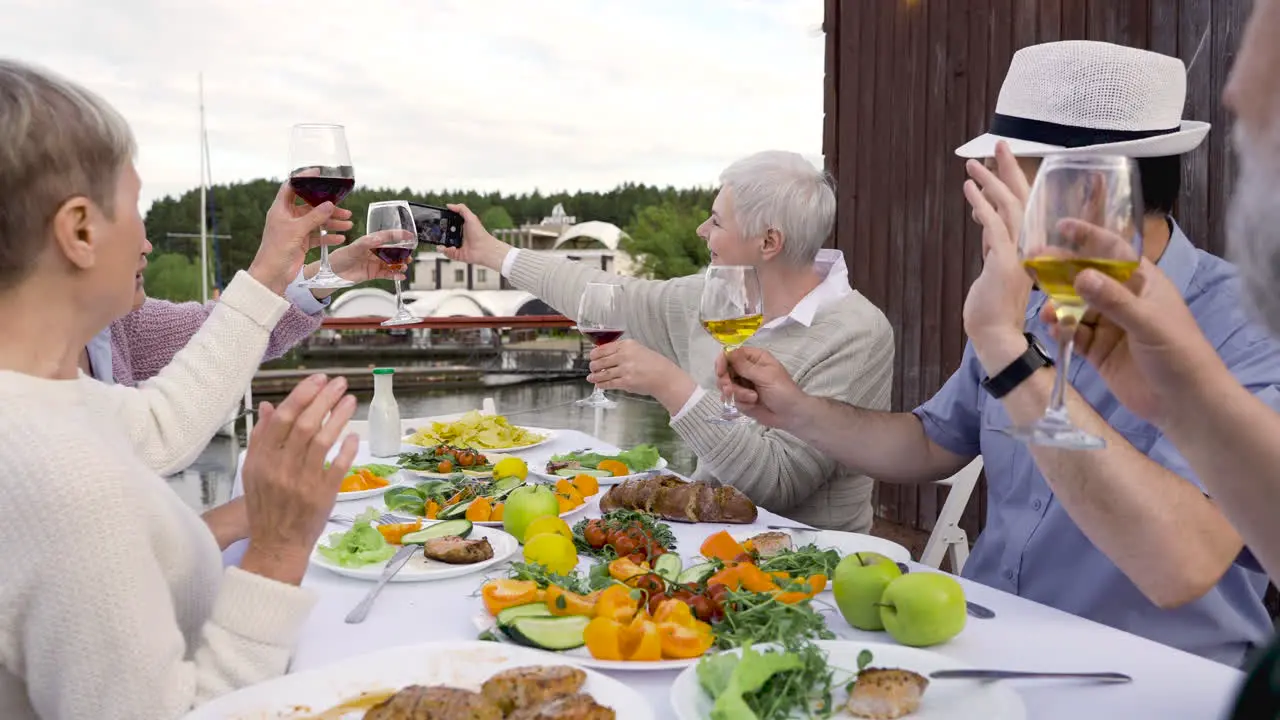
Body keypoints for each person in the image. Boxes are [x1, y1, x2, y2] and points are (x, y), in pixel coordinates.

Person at [715, 41, 1280, 667]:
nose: (983, 200)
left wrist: (1009, 351)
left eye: (1004, 178)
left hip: (1151, 680)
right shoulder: (1028, 294)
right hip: (983, 643)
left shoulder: (1248, 325)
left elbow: (1184, 561)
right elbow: (931, 443)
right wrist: (795, 409)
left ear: (1087, 193)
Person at [0, 59, 360, 718]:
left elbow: (160, 427)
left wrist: (275, 264)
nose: (144, 234)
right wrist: (278, 552)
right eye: (135, 205)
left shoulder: (34, 400)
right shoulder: (62, 479)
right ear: (79, 230)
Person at [441, 150, 893, 532]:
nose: (701, 231)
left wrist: (671, 387)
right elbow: (601, 293)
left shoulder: (857, 334)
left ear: (768, 241)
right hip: (703, 536)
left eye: (716, 222)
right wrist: (490, 252)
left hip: (808, 563)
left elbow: (777, 484)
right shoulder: (710, 298)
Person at [91, 229, 404, 387]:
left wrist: (332, 273)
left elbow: (226, 328)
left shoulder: (119, 325)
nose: (147, 245)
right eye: (128, 218)